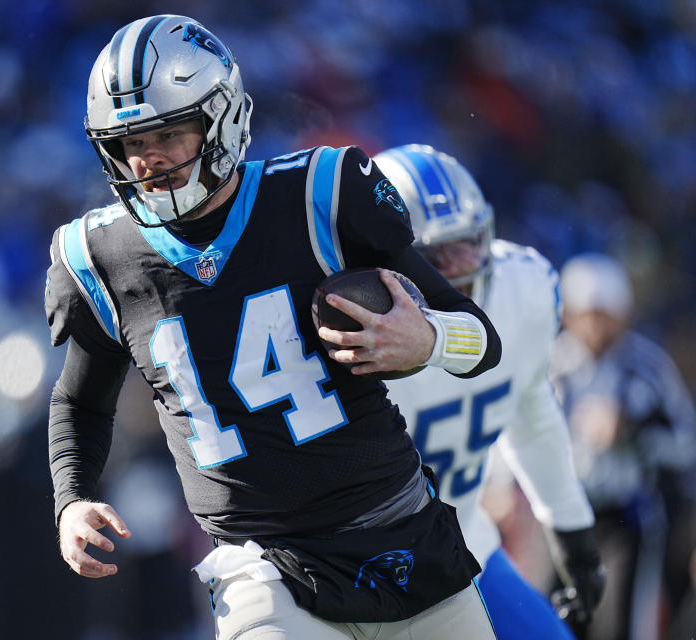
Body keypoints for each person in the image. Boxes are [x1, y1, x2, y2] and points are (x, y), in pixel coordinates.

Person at [43, 15, 502, 640]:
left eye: (167, 133)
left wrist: (430, 339)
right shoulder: (98, 258)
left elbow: (481, 338)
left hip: (400, 526)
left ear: (222, 118)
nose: (146, 160)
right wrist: (71, 498)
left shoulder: (321, 194)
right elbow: (80, 399)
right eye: (129, 142)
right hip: (260, 563)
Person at [375, 144, 605, 640]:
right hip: (367, 570)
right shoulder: (357, 326)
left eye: (470, 242)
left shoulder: (525, 285)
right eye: (439, 255)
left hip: (467, 545)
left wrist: (570, 528)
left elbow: (530, 409)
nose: (462, 266)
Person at [549, 253, 696, 640]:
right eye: (589, 313)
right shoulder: (550, 363)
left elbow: (688, 444)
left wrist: (631, 432)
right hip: (557, 517)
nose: (597, 326)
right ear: (568, 313)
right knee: (549, 621)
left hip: (625, 520)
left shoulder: (648, 366)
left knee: (619, 626)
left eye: (607, 314)